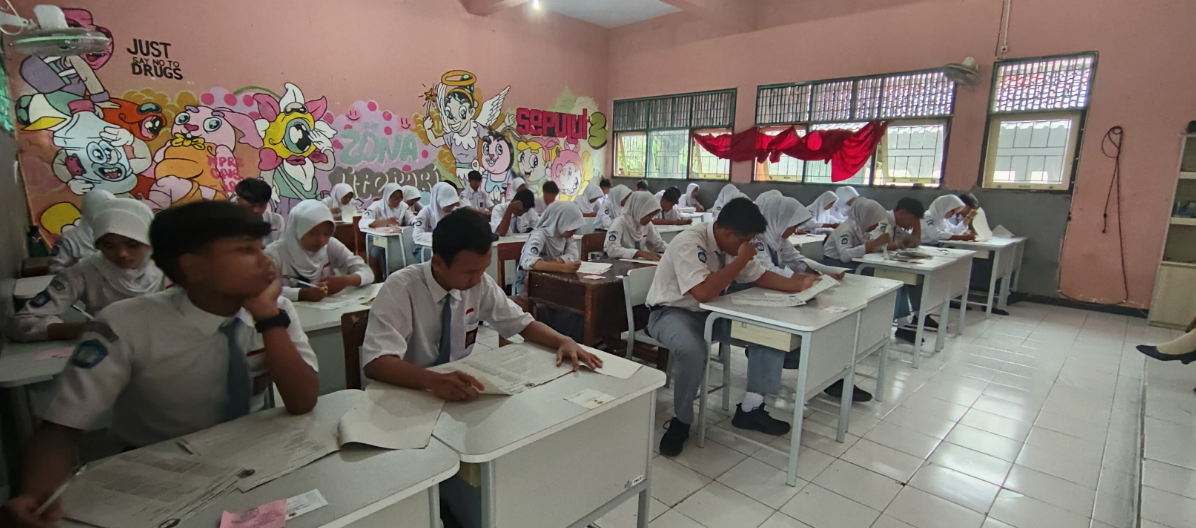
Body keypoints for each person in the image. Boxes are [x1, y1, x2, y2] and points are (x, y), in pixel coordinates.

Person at [3, 202, 319, 528]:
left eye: (260, 248)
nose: (265, 261)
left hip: (250, 457)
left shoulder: (276, 309)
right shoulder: (125, 323)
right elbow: (60, 429)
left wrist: (268, 319)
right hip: (157, 471)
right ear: (194, 267)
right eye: (245, 250)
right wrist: (34, 494)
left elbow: (303, 401)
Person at [360, 208, 601, 399]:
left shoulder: (478, 284)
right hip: (408, 393)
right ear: (438, 263)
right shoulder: (401, 289)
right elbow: (376, 363)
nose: (477, 279)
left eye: (483, 269)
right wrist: (431, 380)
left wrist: (563, 340)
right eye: (469, 272)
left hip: (456, 390)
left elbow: (522, 324)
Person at [648, 197, 822, 456]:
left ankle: (751, 408)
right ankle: (681, 421)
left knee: (768, 333)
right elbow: (703, 292)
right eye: (745, 240)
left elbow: (759, 275)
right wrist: (739, 261)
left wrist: (801, 286)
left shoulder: (735, 246)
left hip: (714, 312)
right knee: (692, 351)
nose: (749, 246)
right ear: (728, 232)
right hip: (672, 312)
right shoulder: (690, 242)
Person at [7, 198, 165, 343]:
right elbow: (20, 323)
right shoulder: (85, 272)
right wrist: (89, 329)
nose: (122, 254)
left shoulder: (170, 267)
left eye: (132, 244)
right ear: (98, 244)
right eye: (108, 245)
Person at [266, 200, 374, 303]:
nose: (320, 240)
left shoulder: (330, 245)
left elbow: (367, 272)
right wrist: (302, 294)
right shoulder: (274, 254)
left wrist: (346, 281)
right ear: (298, 229)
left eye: (326, 234)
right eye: (313, 233)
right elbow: (264, 290)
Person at [514, 201, 584, 297]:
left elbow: (573, 255)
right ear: (561, 221)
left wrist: (551, 263)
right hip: (528, 281)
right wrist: (563, 268)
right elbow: (528, 261)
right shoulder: (540, 235)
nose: (574, 231)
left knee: (574, 297)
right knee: (548, 304)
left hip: (551, 278)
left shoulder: (565, 235)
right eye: (572, 227)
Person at [49, 190, 115, 273]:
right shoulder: (68, 239)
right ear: (88, 208)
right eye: (103, 207)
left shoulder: (119, 235)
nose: (107, 211)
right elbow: (54, 270)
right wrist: (78, 268)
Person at [605, 191, 667, 261]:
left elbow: (658, 244)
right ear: (638, 209)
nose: (650, 218)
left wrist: (672, 249)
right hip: (617, 264)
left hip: (635, 263)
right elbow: (612, 250)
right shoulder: (619, 223)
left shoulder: (647, 225)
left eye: (652, 215)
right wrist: (639, 253)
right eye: (648, 214)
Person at [235, 179, 285, 246]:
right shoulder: (225, 222)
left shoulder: (277, 220)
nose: (257, 210)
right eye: (252, 205)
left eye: (262, 206)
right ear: (239, 201)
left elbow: (281, 247)